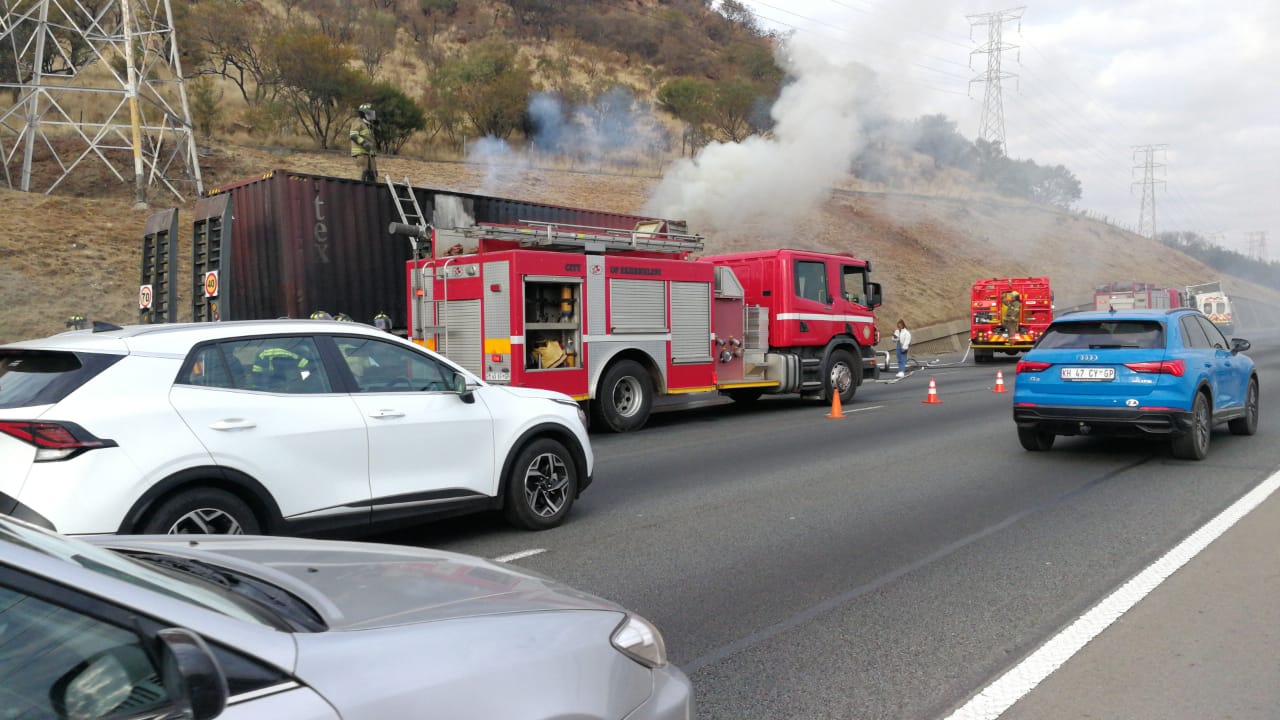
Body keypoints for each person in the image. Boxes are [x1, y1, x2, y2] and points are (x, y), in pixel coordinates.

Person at [349, 102, 377, 183]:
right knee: (363, 175)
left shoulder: (368, 125)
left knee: (373, 175)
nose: (372, 115)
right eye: (370, 113)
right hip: (361, 154)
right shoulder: (358, 122)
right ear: (364, 113)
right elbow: (353, 135)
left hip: (370, 154)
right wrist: (364, 143)